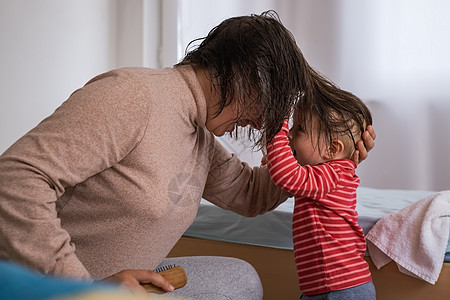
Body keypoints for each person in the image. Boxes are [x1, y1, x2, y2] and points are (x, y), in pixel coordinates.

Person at [0, 11, 375, 298]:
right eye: (266, 104)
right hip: (60, 284)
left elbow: (250, 193)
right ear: (243, 76)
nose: (262, 122)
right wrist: (79, 288)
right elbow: (15, 179)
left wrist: (324, 160)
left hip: (123, 281)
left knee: (241, 277)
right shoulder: (133, 95)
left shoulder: (197, 132)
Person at [265, 69, 376, 299]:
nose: (291, 135)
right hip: (324, 286)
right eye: (292, 127)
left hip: (341, 288)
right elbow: (288, 172)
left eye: (300, 129)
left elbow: (286, 175)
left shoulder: (334, 174)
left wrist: (277, 124)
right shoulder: (325, 174)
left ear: (332, 150)